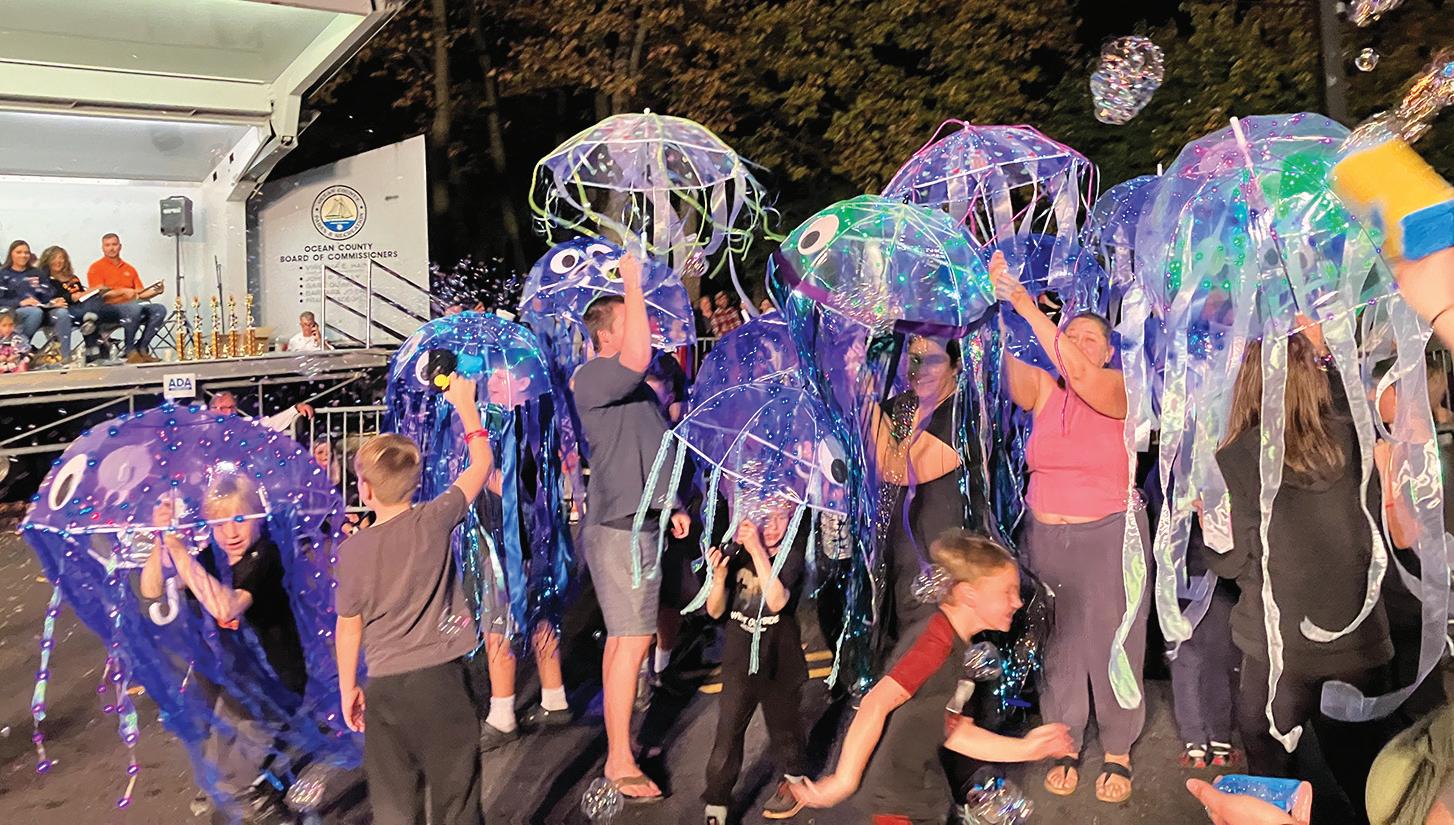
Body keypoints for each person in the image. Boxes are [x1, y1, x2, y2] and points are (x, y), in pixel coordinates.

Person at [1211, 332, 1394, 823]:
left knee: (1273, 780)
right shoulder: (1357, 436)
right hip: (1357, 641)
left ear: (1247, 383)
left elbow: (1230, 562)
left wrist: (1206, 524)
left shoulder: (1236, 457)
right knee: (1368, 781)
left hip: (1277, 654)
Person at [992, 250, 1147, 804]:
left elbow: (1080, 373)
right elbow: (997, 369)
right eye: (1069, 335)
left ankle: (1118, 747)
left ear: (1108, 351)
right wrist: (989, 306)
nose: (1075, 344)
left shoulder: (1120, 388)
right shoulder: (1044, 388)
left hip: (1107, 534)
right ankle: (1064, 737)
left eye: (1088, 338)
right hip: (1045, 537)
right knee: (1057, 641)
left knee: (1112, 639)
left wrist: (1026, 304)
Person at [793, 531, 1073, 824]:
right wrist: (843, 781)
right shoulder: (934, 644)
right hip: (892, 804)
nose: (1017, 602)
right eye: (1007, 592)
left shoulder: (957, 647)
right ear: (969, 594)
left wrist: (1027, 748)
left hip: (920, 795)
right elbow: (876, 703)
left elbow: (955, 732)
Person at [332, 376, 493, 825]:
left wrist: (348, 689)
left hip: (386, 687)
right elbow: (482, 462)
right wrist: (465, 404)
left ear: (365, 489)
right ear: (415, 483)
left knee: (394, 804)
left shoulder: (352, 551)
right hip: (443, 682)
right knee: (457, 797)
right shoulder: (435, 519)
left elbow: (348, 627)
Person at [571, 252, 691, 802]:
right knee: (632, 637)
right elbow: (640, 353)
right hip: (620, 527)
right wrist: (633, 283)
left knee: (626, 638)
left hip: (637, 520)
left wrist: (674, 504)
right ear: (606, 335)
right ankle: (618, 759)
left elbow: (647, 448)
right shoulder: (594, 375)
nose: (645, 325)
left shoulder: (629, 387)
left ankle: (622, 745)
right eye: (631, 319)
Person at [140, 475, 306, 821]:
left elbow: (226, 607)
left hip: (272, 686)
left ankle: (261, 805)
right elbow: (152, 589)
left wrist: (179, 551)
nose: (230, 533)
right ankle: (247, 794)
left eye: (240, 519)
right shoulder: (212, 558)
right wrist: (160, 540)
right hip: (236, 681)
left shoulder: (266, 555)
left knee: (233, 780)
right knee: (214, 766)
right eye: (220, 524)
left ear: (259, 517)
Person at [702, 505, 810, 825]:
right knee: (727, 734)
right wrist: (719, 577)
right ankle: (716, 803)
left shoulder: (792, 553)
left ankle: (793, 781)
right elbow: (714, 610)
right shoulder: (738, 554)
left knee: (785, 731)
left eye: (781, 517)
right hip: (739, 660)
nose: (773, 526)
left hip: (780, 660)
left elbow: (777, 601)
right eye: (765, 518)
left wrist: (758, 551)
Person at [866, 335, 970, 635]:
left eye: (933, 360)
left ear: (956, 366)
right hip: (892, 564)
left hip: (940, 571)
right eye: (914, 359)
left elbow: (897, 469)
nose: (920, 369)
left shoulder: (964, 414)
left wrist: (865, 397)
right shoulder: (901, 407)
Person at [86, 233, 168, 363]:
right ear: (103, 248)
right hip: (107, 309)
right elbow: (98, 294)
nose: (111, 248)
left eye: (114, 244)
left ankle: (141, 348)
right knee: (133, 309)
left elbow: (139, 294)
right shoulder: (96, 268)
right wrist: (122, 292)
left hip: (132, 306)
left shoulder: (129, 269)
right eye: (108, 245)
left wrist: (155, 292)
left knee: (159, 309)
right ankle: (129, 351)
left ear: (120, 246)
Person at [0, 240, 74, 366]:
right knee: (34, 312)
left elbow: (47, 293)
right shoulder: (3, 274)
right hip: (14, 312)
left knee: (62, 313)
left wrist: (53, 301)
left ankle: (65, 356)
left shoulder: (36, 272)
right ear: (11, 254)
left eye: (26, 253)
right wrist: (20, 302)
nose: (23, 255)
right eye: (19, 252)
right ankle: (21, 350)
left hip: (42, 309)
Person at [38, 245, 113, 364]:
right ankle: (95, 349)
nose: (59, 261)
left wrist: (93, 291)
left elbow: (83, 294)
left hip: (81, 307)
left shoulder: (72, 278)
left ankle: (91, 325)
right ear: (47, 261)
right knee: (91, 317)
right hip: (65, 310)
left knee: (97, 299)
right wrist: (70, 297)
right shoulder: (45, 280)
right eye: (54, 258)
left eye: (61, 258)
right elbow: (49, 298)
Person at [209, 391, 315, 434]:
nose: (229, 412)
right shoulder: (202, 429)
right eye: (222, 408)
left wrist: (295, 408)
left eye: (230, 407)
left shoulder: (246, 425)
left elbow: (272, 423)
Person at [0, 308, 32, 373]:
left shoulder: (17, 337)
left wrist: (16, 356)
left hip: (14, 361)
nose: (8, 328)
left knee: (25, 360)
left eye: (11, 325)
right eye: (4, 325)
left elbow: (25, 349)